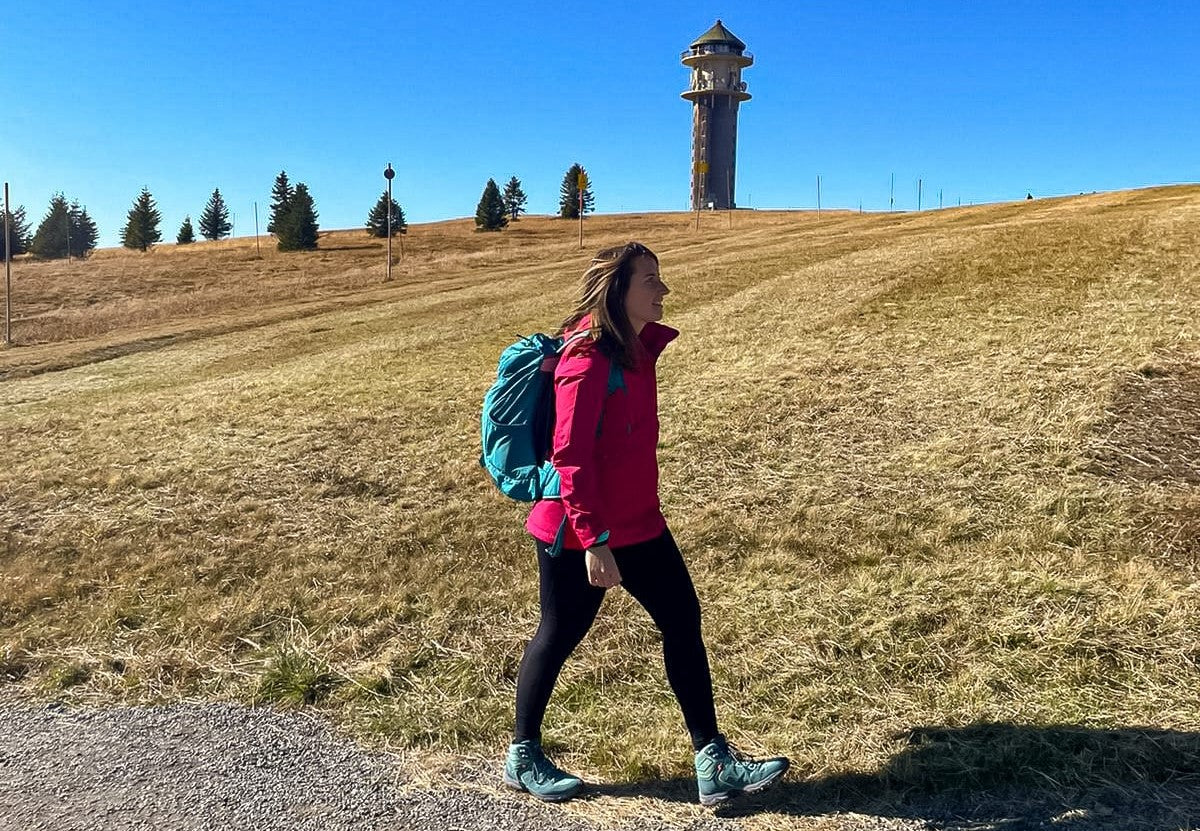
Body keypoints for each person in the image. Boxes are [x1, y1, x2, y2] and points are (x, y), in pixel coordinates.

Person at [502, 241, 789, 806]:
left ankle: (713, 759)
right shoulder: (586, 359)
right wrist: (594, 541)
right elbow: (571, 456)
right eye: (650, 280)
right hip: (580, 529)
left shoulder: (633, 350)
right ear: (619, 291)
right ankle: (523, 755)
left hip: (639, 522)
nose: (663, 289)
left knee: (683, 619)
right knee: (559, 634)